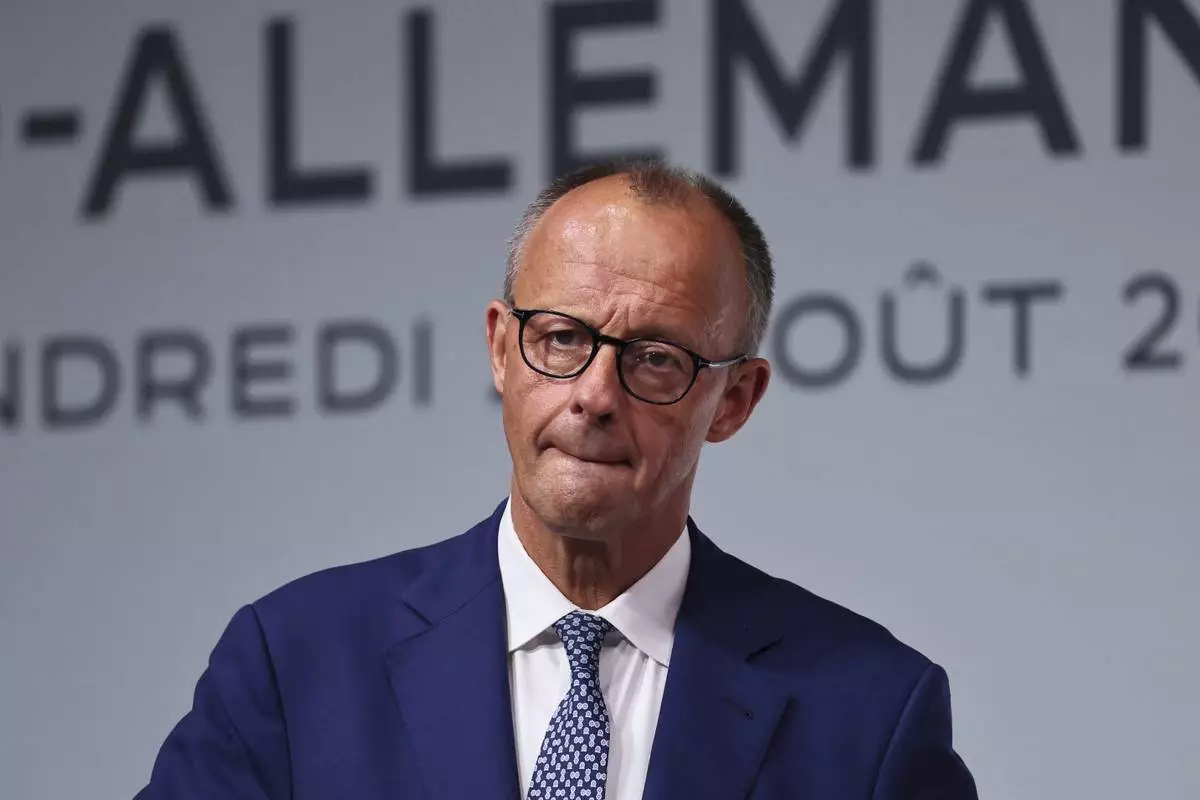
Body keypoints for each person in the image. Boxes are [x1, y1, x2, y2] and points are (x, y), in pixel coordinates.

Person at [137, 160, 978, 799]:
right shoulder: (296, 664)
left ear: (733, 401)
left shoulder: (869, 712)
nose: (594, 396)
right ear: (502, 349)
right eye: (562, 338)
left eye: (656, 358)